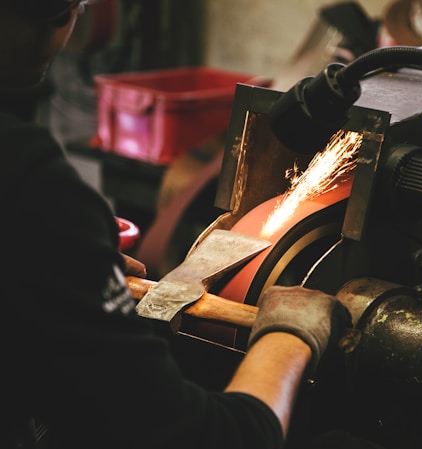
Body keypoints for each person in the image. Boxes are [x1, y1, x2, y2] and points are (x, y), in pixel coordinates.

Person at [0, 1, 367, 449]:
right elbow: (204, 438)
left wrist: (67, 274)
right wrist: (291, 335)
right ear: (49, 12)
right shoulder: (31, 185)